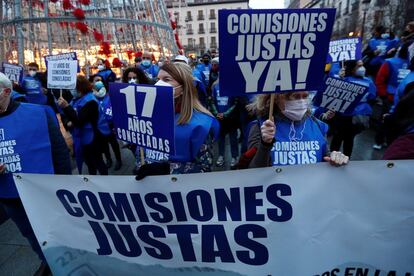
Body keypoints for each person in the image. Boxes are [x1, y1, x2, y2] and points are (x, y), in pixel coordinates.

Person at [0, 72, 71, 276]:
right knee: (30, 234)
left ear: (6, 92)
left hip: (44, 190)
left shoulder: (39, 112)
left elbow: (60, 152)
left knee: (57, 232)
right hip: (9, 196)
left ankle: (66, 262)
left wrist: (66, 186)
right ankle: (47, 261)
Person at [135, 62, 219, 179]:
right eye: (158, 79)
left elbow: (204, 169)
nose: (159, 84)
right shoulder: (147, 115)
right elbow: (142, 150)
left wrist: (167, 170)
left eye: (166, 79)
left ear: (184, 87)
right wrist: (140, 166)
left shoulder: (200, 125)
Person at [246, 91, 349, 168]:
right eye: (294, 96)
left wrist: (335, 158)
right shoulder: (262, 127)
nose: (301, 101)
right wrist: (265, 144)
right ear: (277, 98)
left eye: (305, 96)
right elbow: (254, 171)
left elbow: (325, 156)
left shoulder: (317, 125)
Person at [58, 76, 111, 175]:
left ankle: (105, 181)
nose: (71, 90)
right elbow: (65, 116)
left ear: (81, 87)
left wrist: (67, 107)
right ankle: (92, 180)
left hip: (93, 137)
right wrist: (67, 121)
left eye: (74, 87)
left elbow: (79, 120)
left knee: (97, 161)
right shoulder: (75, 99)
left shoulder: (90, 100)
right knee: (89, 163)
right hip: (82, 137)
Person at [329, 60, 376, 157]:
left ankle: (346, 158)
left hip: (355, 117)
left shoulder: (368, 81)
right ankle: (332, 158)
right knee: (339, 138)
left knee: (347, 139)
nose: (362, 68)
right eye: (359, 66)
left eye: (362, 65)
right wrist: (339, 79)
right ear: (352, 68)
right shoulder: (344, 79)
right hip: (342, 116)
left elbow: (372, 96)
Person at [374, 43, 411, 149]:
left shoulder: (391, 62)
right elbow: (380, 80)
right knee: (386, 120)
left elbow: (380, 79)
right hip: (391, 98)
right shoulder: (390, 62)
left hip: (400, 99)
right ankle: (379, 140)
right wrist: (384, 95)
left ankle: (385, 141)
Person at [90, 75, 123, 170]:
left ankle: (118, 160)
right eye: (96, 81)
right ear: (92, 83)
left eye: (100, 80)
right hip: (99, 127)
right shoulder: (92, 97)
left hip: (111, 126)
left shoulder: (110, 95)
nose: (98, 82)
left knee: (114, 144)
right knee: (104, 145)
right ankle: (108, 159)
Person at [210, 77, 239, 168]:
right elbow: (212, 101)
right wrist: (216, 113)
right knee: (220, 138)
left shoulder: (233, 87)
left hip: (231, 118)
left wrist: (226, 114)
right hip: (219, 118)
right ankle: (221, 156)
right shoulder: (215, 86)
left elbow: (236, 103)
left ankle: (234, 157)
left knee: (233, 138)